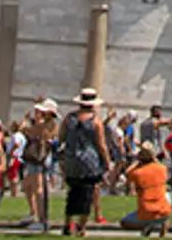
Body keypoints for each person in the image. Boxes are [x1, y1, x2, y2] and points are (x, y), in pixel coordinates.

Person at [60, 89, 109, 237]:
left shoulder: (69, 118)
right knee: (88, 194)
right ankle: (81, 227)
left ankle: (67, 224)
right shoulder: (95, 121)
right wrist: (106, 162)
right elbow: (101, 144)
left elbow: (61, 137)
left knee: (73, 192)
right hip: (89, 161)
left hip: (71, 160)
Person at [21, 100, 57, 233]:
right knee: (29, 187)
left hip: (38, 159)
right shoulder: (49, 125)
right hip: (39, 158)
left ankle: (42, 219)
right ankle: (35, 214)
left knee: (38, 189)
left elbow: (26, 130)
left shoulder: (45, 126)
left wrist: (25, 120)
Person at [124, 143, 171, 235]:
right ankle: (163, 233)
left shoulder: (138, 173)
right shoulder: (162, 169)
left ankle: (147, 225)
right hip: (163, 212)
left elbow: (127, 173)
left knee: (124, 222)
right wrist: (154, 158)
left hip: (146, 213)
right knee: (166, 196)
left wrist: (137, 162)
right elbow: (162, 167)